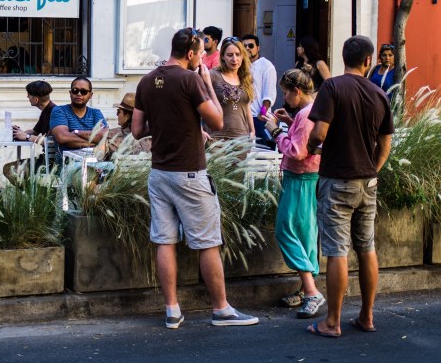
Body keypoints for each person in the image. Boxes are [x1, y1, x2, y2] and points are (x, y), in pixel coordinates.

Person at [132, 27, 258, 329]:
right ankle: (221, 309)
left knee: (165, 241)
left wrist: (168, 126)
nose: (203, 59)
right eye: (201, 53)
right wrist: (207, 84)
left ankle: (172, 310)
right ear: (190, 54)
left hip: (159, 173)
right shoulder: (191, 79)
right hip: (189, 173)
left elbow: (137, 130)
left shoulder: (147, 80)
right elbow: (217, 121)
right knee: (208, 243)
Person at [305, 35, 393, 338]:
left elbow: (319, 133)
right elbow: (385, 145)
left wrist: (311, 146)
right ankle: (366, 317)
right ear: (368, 61)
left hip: (337, 180)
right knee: (367, 248)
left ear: (344, 58)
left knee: (336, 251)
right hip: (368, 182)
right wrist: (372, 170)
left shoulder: (332, 87)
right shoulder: (379, 94)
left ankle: (332, 322)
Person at [259, 69, 324, 318]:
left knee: (285, 231)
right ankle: (306, 289)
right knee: (306, 235)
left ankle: (311, 292)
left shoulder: (305, 115)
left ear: (297, 91)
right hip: (311, 178)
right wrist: (289, 122)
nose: (284, 98)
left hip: (298, 179)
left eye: (286, 93)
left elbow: (297, 151)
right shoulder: (313, 110)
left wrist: (276, 130)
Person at [204, 37, 255, 140]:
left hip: (242, 139)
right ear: (222, 56)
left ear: (243, 56)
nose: (234, 59)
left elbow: (246, 106)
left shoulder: (245, 77)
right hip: (216, 139)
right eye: (230, 55)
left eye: (238, 54)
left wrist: (252, 130)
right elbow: (198, 104)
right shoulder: (212, 75)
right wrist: (201, 130)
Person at [50, 77, 108, 157]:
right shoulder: (59, 111)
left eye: (83, 91)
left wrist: (76, 132)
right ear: (70, 93)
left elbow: (105, 135)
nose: (79, 94)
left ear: (90, 95)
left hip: (94, 161)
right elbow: (62, 137)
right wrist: (94, 142)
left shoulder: (96, 113)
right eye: (75, 90)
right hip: (67, 162)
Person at [243, 34, 277, 148]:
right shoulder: (240, 65)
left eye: (250, 45)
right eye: (244, 46)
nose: (247, 48)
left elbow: (268, 96)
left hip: (258, 117)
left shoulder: (266, 66)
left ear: (258, 48)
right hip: (243, 117)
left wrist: (262, 113)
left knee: (261, 151)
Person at [98, 92, 150, 161]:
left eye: (118, 111)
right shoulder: (151, 137)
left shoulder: (111, 136)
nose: (117, 115)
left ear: (127, 116)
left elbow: (99, 158)